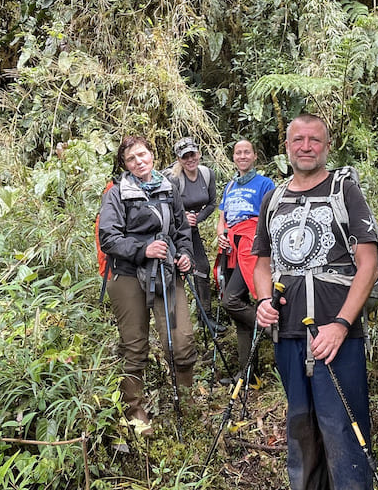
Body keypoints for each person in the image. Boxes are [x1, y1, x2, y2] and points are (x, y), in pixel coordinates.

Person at [253, 113, 378, 490]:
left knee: (344, 435)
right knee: (301, 427)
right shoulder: (274, 197)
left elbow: (368, 264)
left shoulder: (344, 190)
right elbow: (262, 262)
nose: (306, 146)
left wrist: (342, 324)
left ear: (327, 145)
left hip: (336, 338)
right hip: (289, 335)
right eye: (297, 139)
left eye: (315, 139)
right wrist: (264, 300)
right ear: (285, 145)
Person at [98, 134, 197, 434]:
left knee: (182, 341)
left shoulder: (169, 189)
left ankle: (186, 399)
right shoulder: (116, 194)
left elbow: (181, 230)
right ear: (125, 164)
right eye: (131, 159)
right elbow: (108, 238)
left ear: (152, 155)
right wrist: (143, 249)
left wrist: (185, 255)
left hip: (165, 272)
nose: (139, 161)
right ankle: (135, 409)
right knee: (135, 345)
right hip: (127, 274)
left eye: (143, 155)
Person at [215, 139, 275, 376]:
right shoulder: (229, 187)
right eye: (238, 153)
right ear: (233, 157)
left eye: (246, 152)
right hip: (230, 247)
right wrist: (221, 235)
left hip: (251, 246)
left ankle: (273, 329)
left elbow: (269, 216)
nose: (242, 156)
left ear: (254, 156)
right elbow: (223, 219)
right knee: (238, 314)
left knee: (231, 300)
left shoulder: (265, 183)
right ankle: (248, 374)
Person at [164, 137, 217, 330]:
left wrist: (198, 217)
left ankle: (206, 318)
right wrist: (183, 217)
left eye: (192, 154)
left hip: (191, 230)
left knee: (202, 268)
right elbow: (164, 208)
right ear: (179, 159)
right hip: (173, 232)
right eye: (184, 156)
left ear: (198, 154)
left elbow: (211, 204)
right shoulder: (173, 179)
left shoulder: (207, 174)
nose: (189, 159)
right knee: (176, 272)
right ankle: (175, 321)